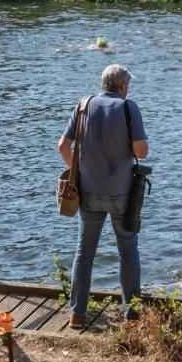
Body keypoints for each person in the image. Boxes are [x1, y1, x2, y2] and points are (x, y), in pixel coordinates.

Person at [58, 64, 148, 328]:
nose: (128, 90)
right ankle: (131, 316)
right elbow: (141, 152)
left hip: (87, 192)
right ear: (121, 86)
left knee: (84, 252)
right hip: (122, 194)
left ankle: (77, 314)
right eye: (127, 86)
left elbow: (63, 145)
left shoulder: (84, 105)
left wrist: (77, 172)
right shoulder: (129, 107)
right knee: (128, 251)